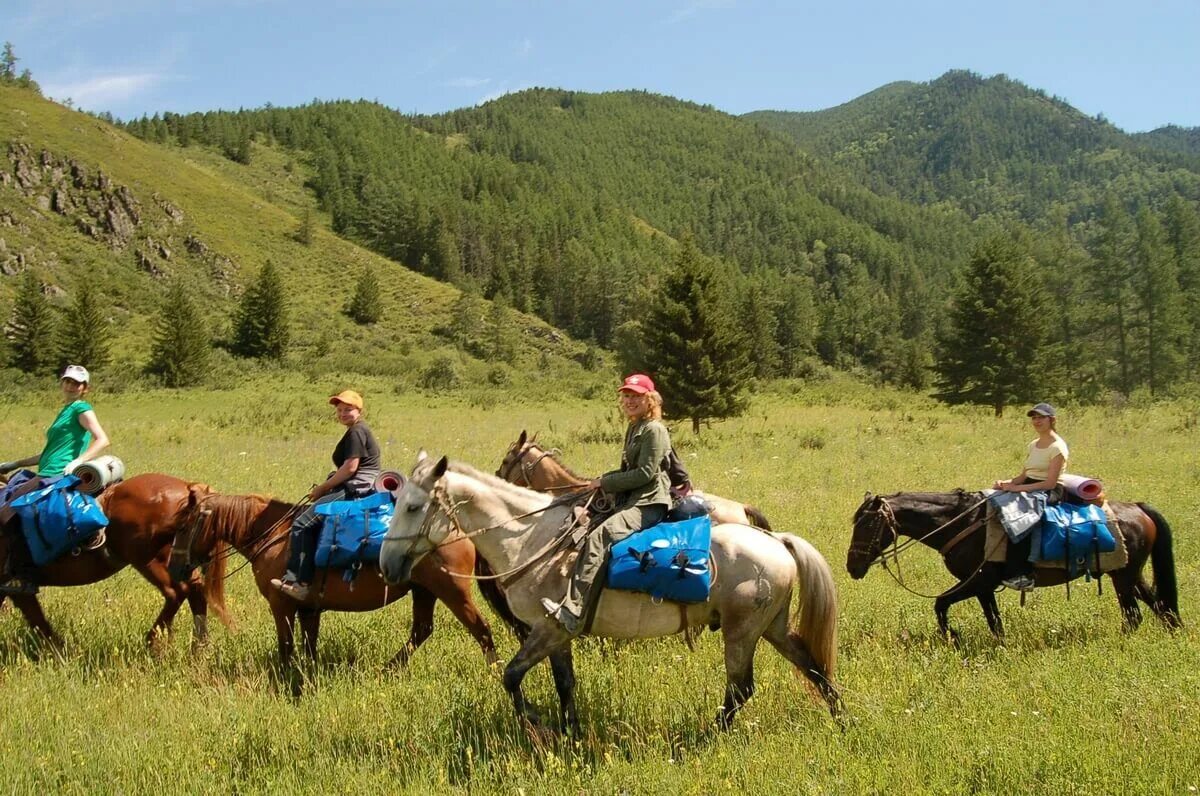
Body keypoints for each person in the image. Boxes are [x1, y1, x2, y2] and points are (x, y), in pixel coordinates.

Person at [542, 373, 673, 635]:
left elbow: (645, 473)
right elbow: (628, 469)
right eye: (626, 396)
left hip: (648, 503)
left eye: (636, 396)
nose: (629, 401)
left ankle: (573, 610)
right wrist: (600, 480)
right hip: (632, 499)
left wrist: (605, 483)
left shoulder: (654, 430)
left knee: (600, 537)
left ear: (650, 399)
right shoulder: (636, 427)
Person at [0, 365, 111, 594]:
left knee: (7, 512)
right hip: (46, 470)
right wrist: (17, 463)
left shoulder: (81, 408)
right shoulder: (66, 410)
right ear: (62, 383)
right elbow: (49, 452)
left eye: (77, 383)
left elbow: (102, 439)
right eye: (68, 381)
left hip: (56, 475)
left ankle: (23, 573)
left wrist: (79, 461)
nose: (71, 386)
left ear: (84, 389)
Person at [272, 390, 381, 601]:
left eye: (348, 409)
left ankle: (300, 583)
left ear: (359, 410)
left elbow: (350, 468)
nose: (342, 413)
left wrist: (322, 488)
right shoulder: (357, 430)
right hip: (354, 485)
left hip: (354, 488)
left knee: (302, 523)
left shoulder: (356, 431)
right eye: (339, 410)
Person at [992, 401, 1069, 591]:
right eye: (1034, 417)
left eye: (1041, 417)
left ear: (1051, 420)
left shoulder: (1058, 447)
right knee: (992, 501)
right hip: (1029, 486)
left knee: (1022, 520)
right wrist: (1007, 483)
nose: (1036, 421)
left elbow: (1050, 483)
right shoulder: (1034, 444)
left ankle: (1024, 572)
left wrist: (1018, 490)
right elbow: (1024, 475)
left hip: (1049, 491)